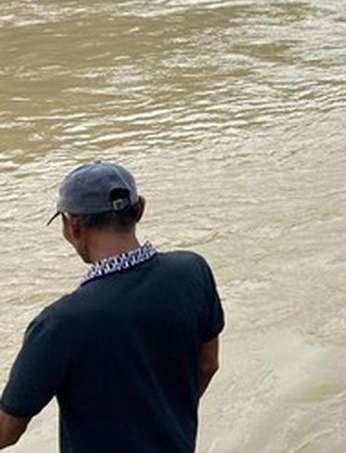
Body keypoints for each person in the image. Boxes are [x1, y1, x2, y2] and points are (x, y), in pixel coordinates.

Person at [0, 161, 223, 452]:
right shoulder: (193, 271)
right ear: (140, 209)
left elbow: (6, 431)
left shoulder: (58, 324)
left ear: (73, 226)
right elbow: (208, 364)